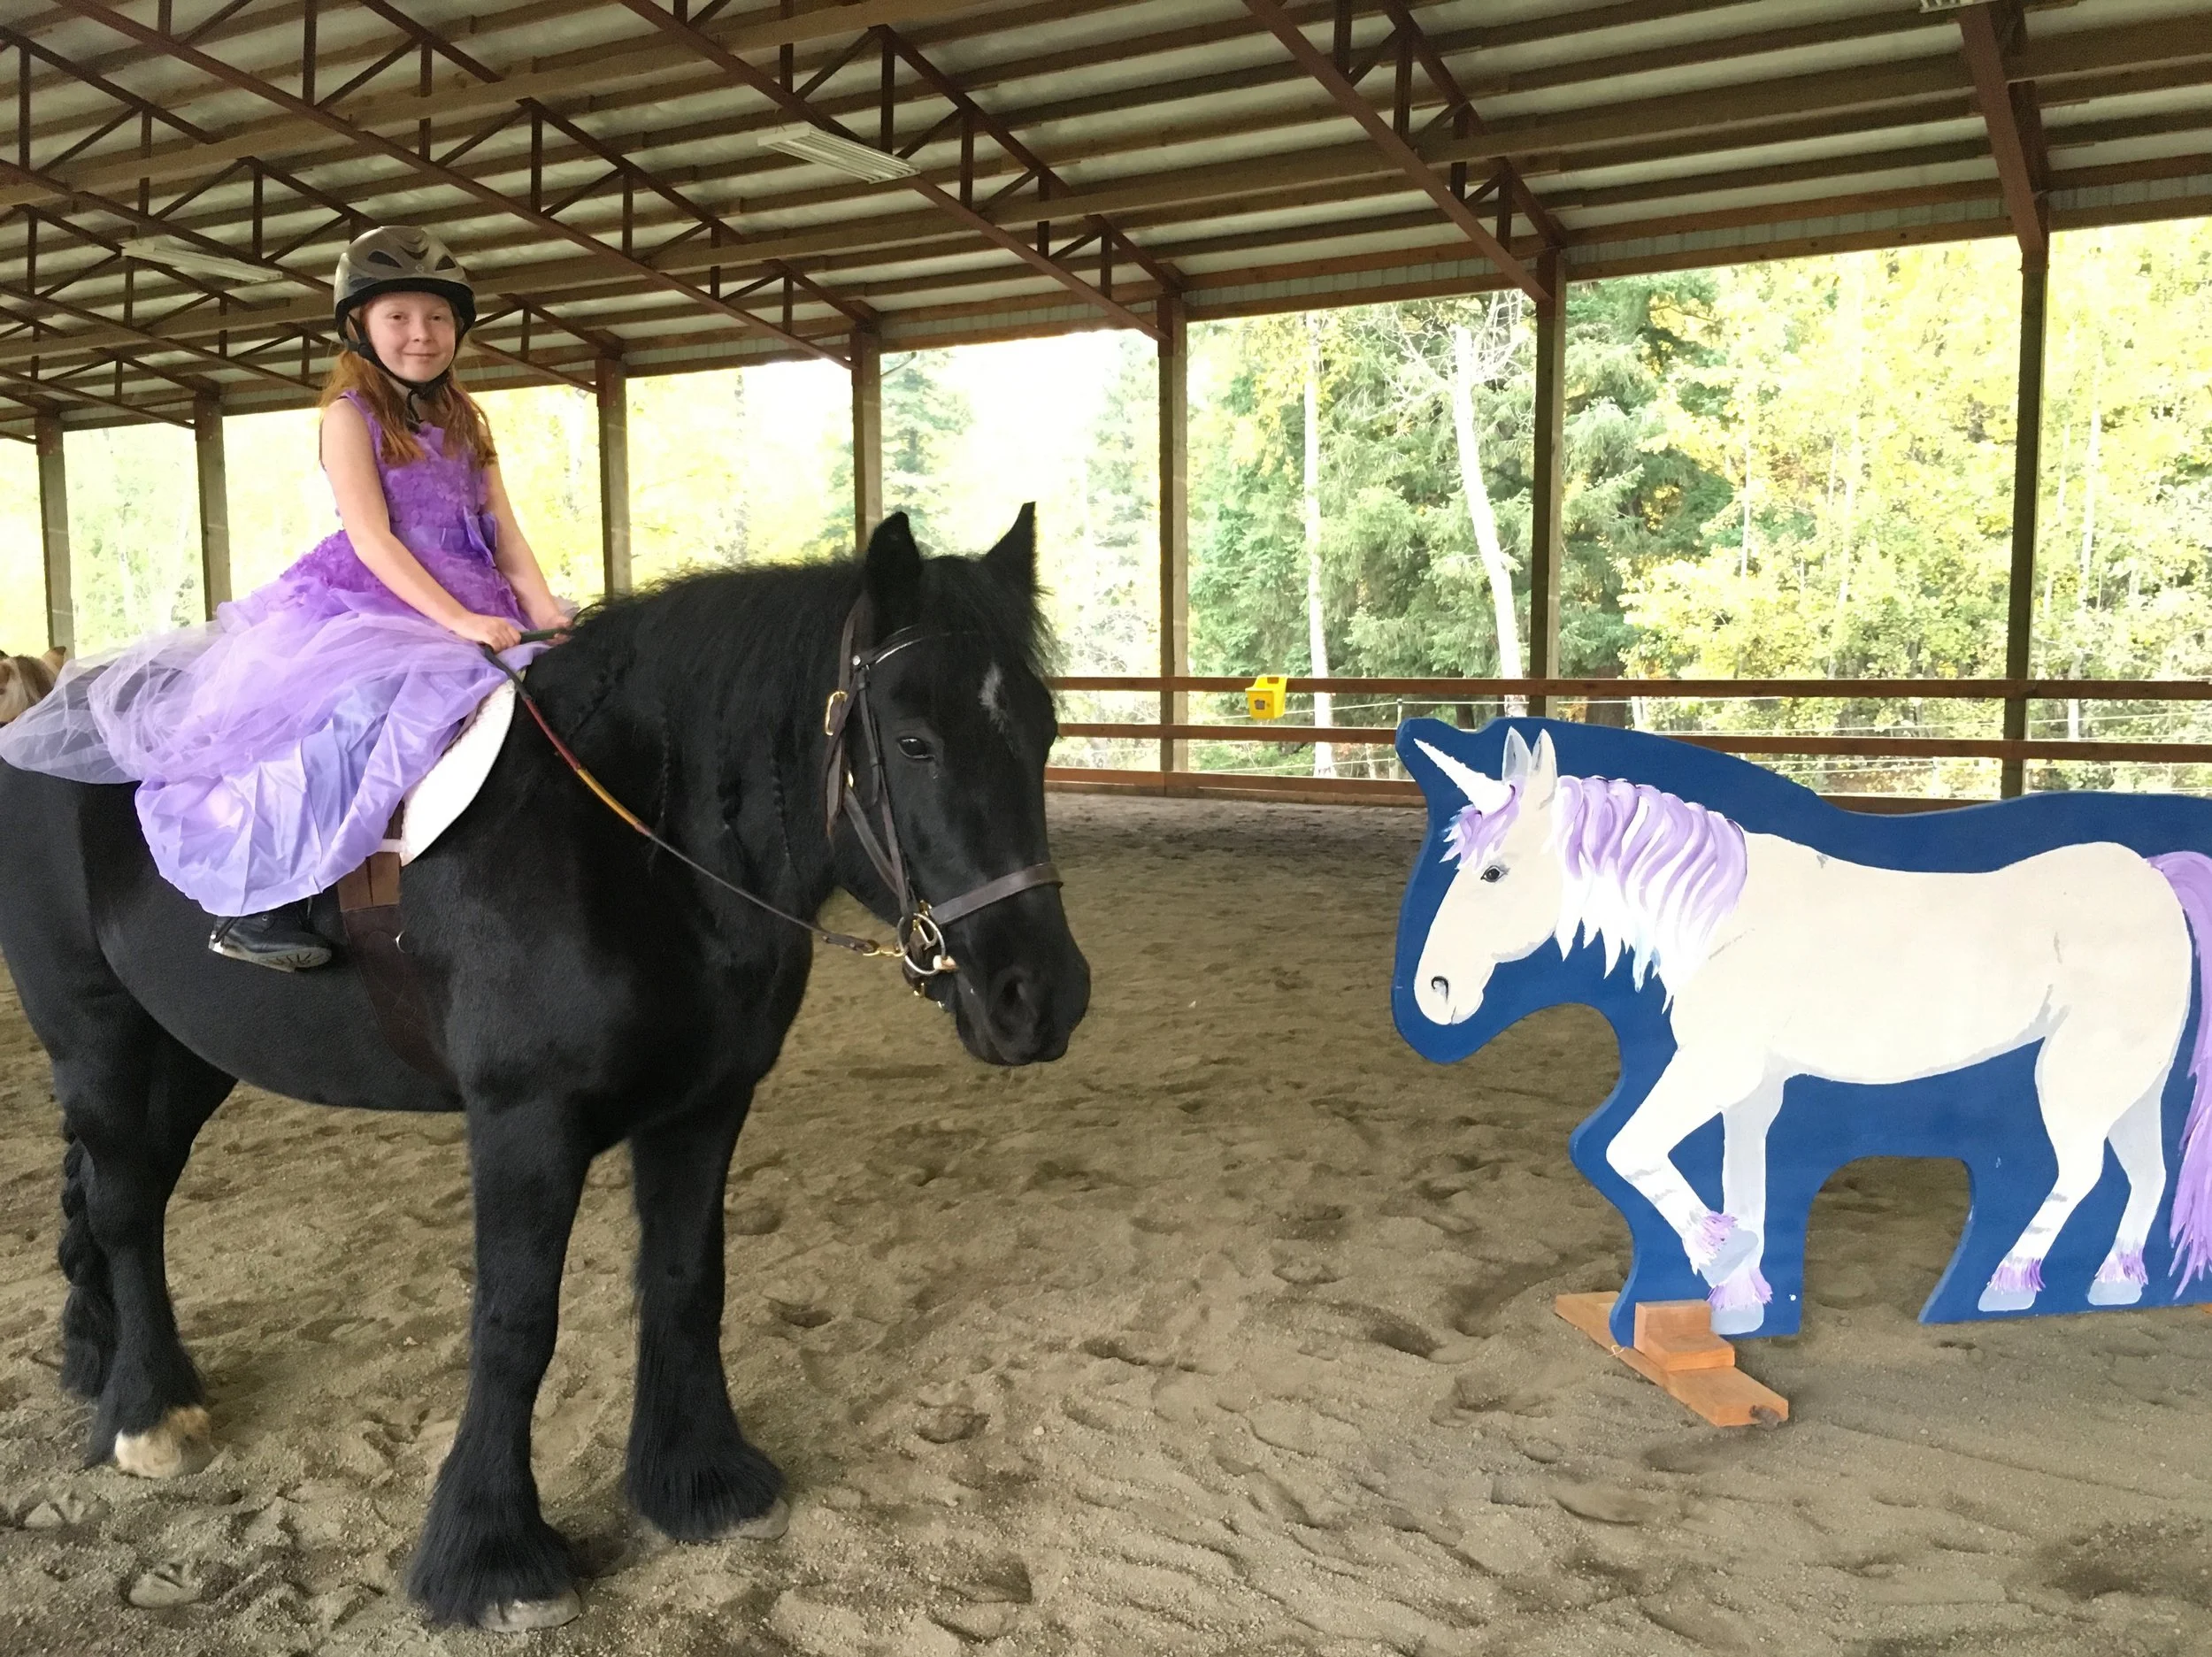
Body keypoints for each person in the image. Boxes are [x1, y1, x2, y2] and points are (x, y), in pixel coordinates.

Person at [0, 227, 570, 970]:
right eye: (399, 317)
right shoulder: (349, 417)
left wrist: (547, 612)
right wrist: (459, 620)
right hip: (379, 605)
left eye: (437, 318)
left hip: (480, 602)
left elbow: (508, 536)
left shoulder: (466, 419)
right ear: (359, 326)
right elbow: (373, 538)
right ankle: (265, 903)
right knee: (357, 717)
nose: (422, 334)